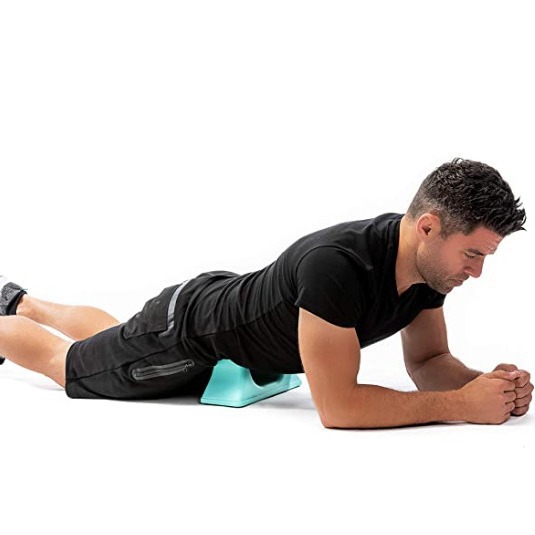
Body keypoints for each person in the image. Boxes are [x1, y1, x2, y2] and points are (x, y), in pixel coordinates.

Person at [1, 157, 532, 428]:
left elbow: (429, 361)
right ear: (429, 227)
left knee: (117, 338)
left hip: (209, 314)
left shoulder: (425, 270)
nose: (477, 272)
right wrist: (459, 406)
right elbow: (339, 408)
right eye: (473, 254)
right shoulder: (339, 268)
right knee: (67, 365)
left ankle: (18, 300)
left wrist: (486, 386)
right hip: (187, 335)